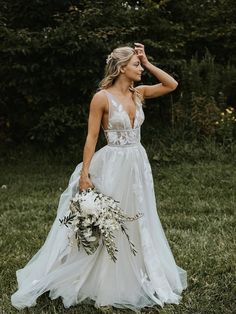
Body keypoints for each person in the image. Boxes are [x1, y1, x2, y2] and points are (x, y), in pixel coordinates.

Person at [11, 43, 187, 312]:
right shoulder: (101, 98)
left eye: (141, 65)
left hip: (137, 163)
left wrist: (148, 62)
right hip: (112, 163)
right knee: (110, 220)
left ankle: (138, 270)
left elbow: (171, 84)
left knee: (138, 215)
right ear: (121, 68)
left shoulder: (138, 93)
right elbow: (91, 138)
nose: (140, 69)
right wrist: (84, 175)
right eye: (136, 65)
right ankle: (105, 281)